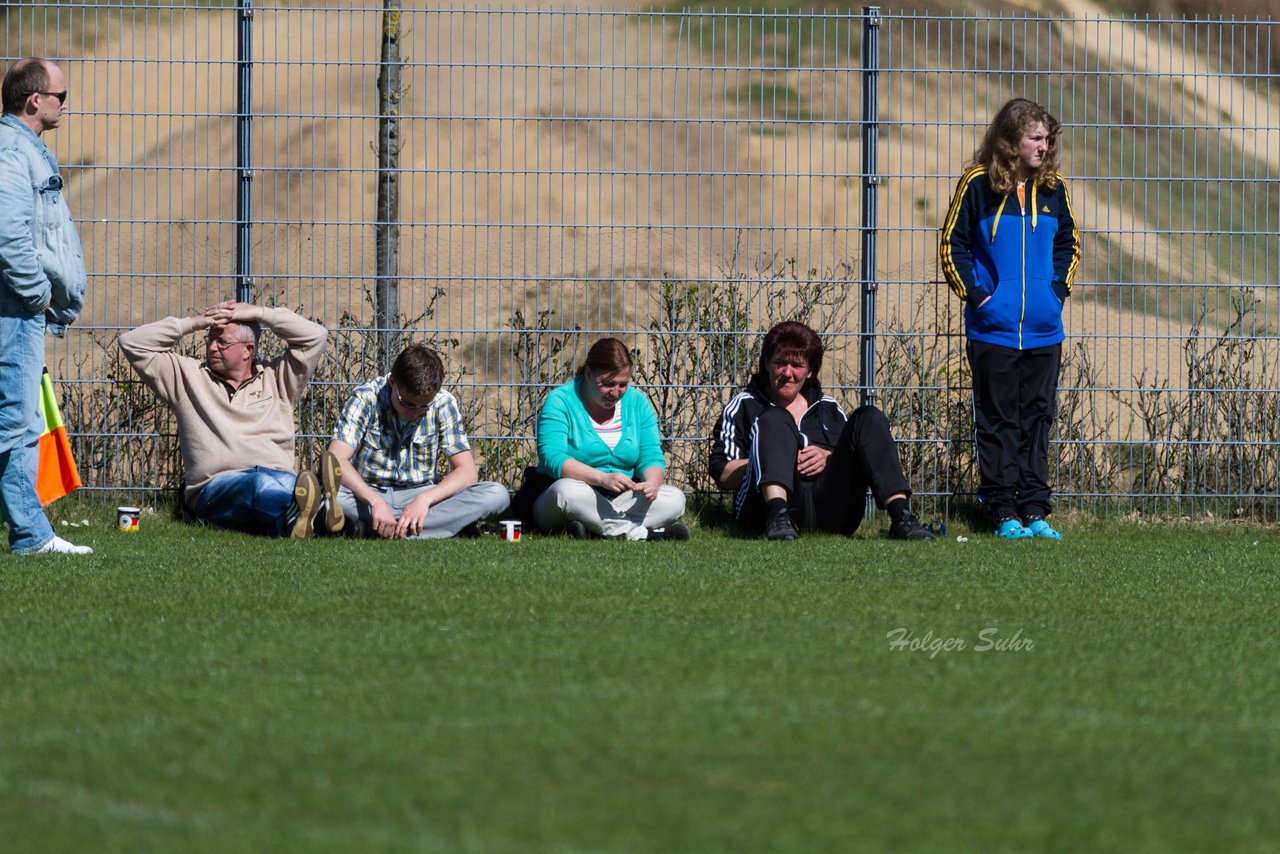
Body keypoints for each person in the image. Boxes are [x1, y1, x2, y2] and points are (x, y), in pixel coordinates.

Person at [940, 97, 1082, 540]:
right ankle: (1002, 511)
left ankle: (1036, 509)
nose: (1044, 147)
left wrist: (1055, 292)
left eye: (1048, 139)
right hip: (993, 330)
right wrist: (979, 296)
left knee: (1037, 419)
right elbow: (951, 246)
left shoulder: (1054, 189)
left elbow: (1070, 245)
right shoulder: (978, 185)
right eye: (1036, 138)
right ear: (1010, 140)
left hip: (1044, 331)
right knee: (998, 420)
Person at [119, 300, 342, 538]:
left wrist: (260, 312)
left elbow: (316, 336)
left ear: (248, 350)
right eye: (210, 339)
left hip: (277, 475)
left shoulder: (279, 378)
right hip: (216, 487)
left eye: (222, 342)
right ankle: (316, 511)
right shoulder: (186, 377)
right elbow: (132, 343)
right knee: (258, 487)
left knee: (281, 485)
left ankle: (300, 519)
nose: (213, 347)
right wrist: (195, 322)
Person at [709, 320, 934, 542]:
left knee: (870, 417)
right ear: (767, 363)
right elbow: (723, 474)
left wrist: (829, 457)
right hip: (764, 511)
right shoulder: (744, 405)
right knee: (775, 417)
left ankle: (902, 518)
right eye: (780, 363)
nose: (787, 373)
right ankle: (778, 518)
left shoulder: (829, 407)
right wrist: (770, 461)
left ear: (810, 372)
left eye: (797, 366)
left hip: (831, 509)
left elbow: (851, 458)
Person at [0, 58, 91, 555]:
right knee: (14, 418)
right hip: (13, 308)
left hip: (20, 307)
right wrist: (36, 294)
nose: (64, 105)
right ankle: (31, 536)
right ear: (35, 100)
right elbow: (8, 232)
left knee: (20, 418)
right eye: (61, 97)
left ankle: (31, 532)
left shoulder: (22, 148)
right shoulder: (13, 150)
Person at [328, 343, 509, 539]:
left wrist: (424, 500)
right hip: (367, 493)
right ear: (392, 382)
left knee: (496, 494)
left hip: (419, 495)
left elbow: (467, 471)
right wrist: (375, 502)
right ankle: (428, 529)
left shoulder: (443, 403)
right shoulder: (366, 397)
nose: (414, 412)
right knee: (330, 496)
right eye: (407, 403)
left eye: (424, 406)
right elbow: (335, 459)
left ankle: (372, 529)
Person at [534, 337, 688, 541]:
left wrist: (652, 483)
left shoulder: (638, 404)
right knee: (567, 491)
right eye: (608, 384)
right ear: (588, 374)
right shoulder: (560, 400)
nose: (615, 393)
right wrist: (602, 479)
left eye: (622, 384)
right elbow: (552, 458)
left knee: (675, 499)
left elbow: (650, 456)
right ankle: (642, 534)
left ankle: (594, 528)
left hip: (618, 501)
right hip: (564, 497)